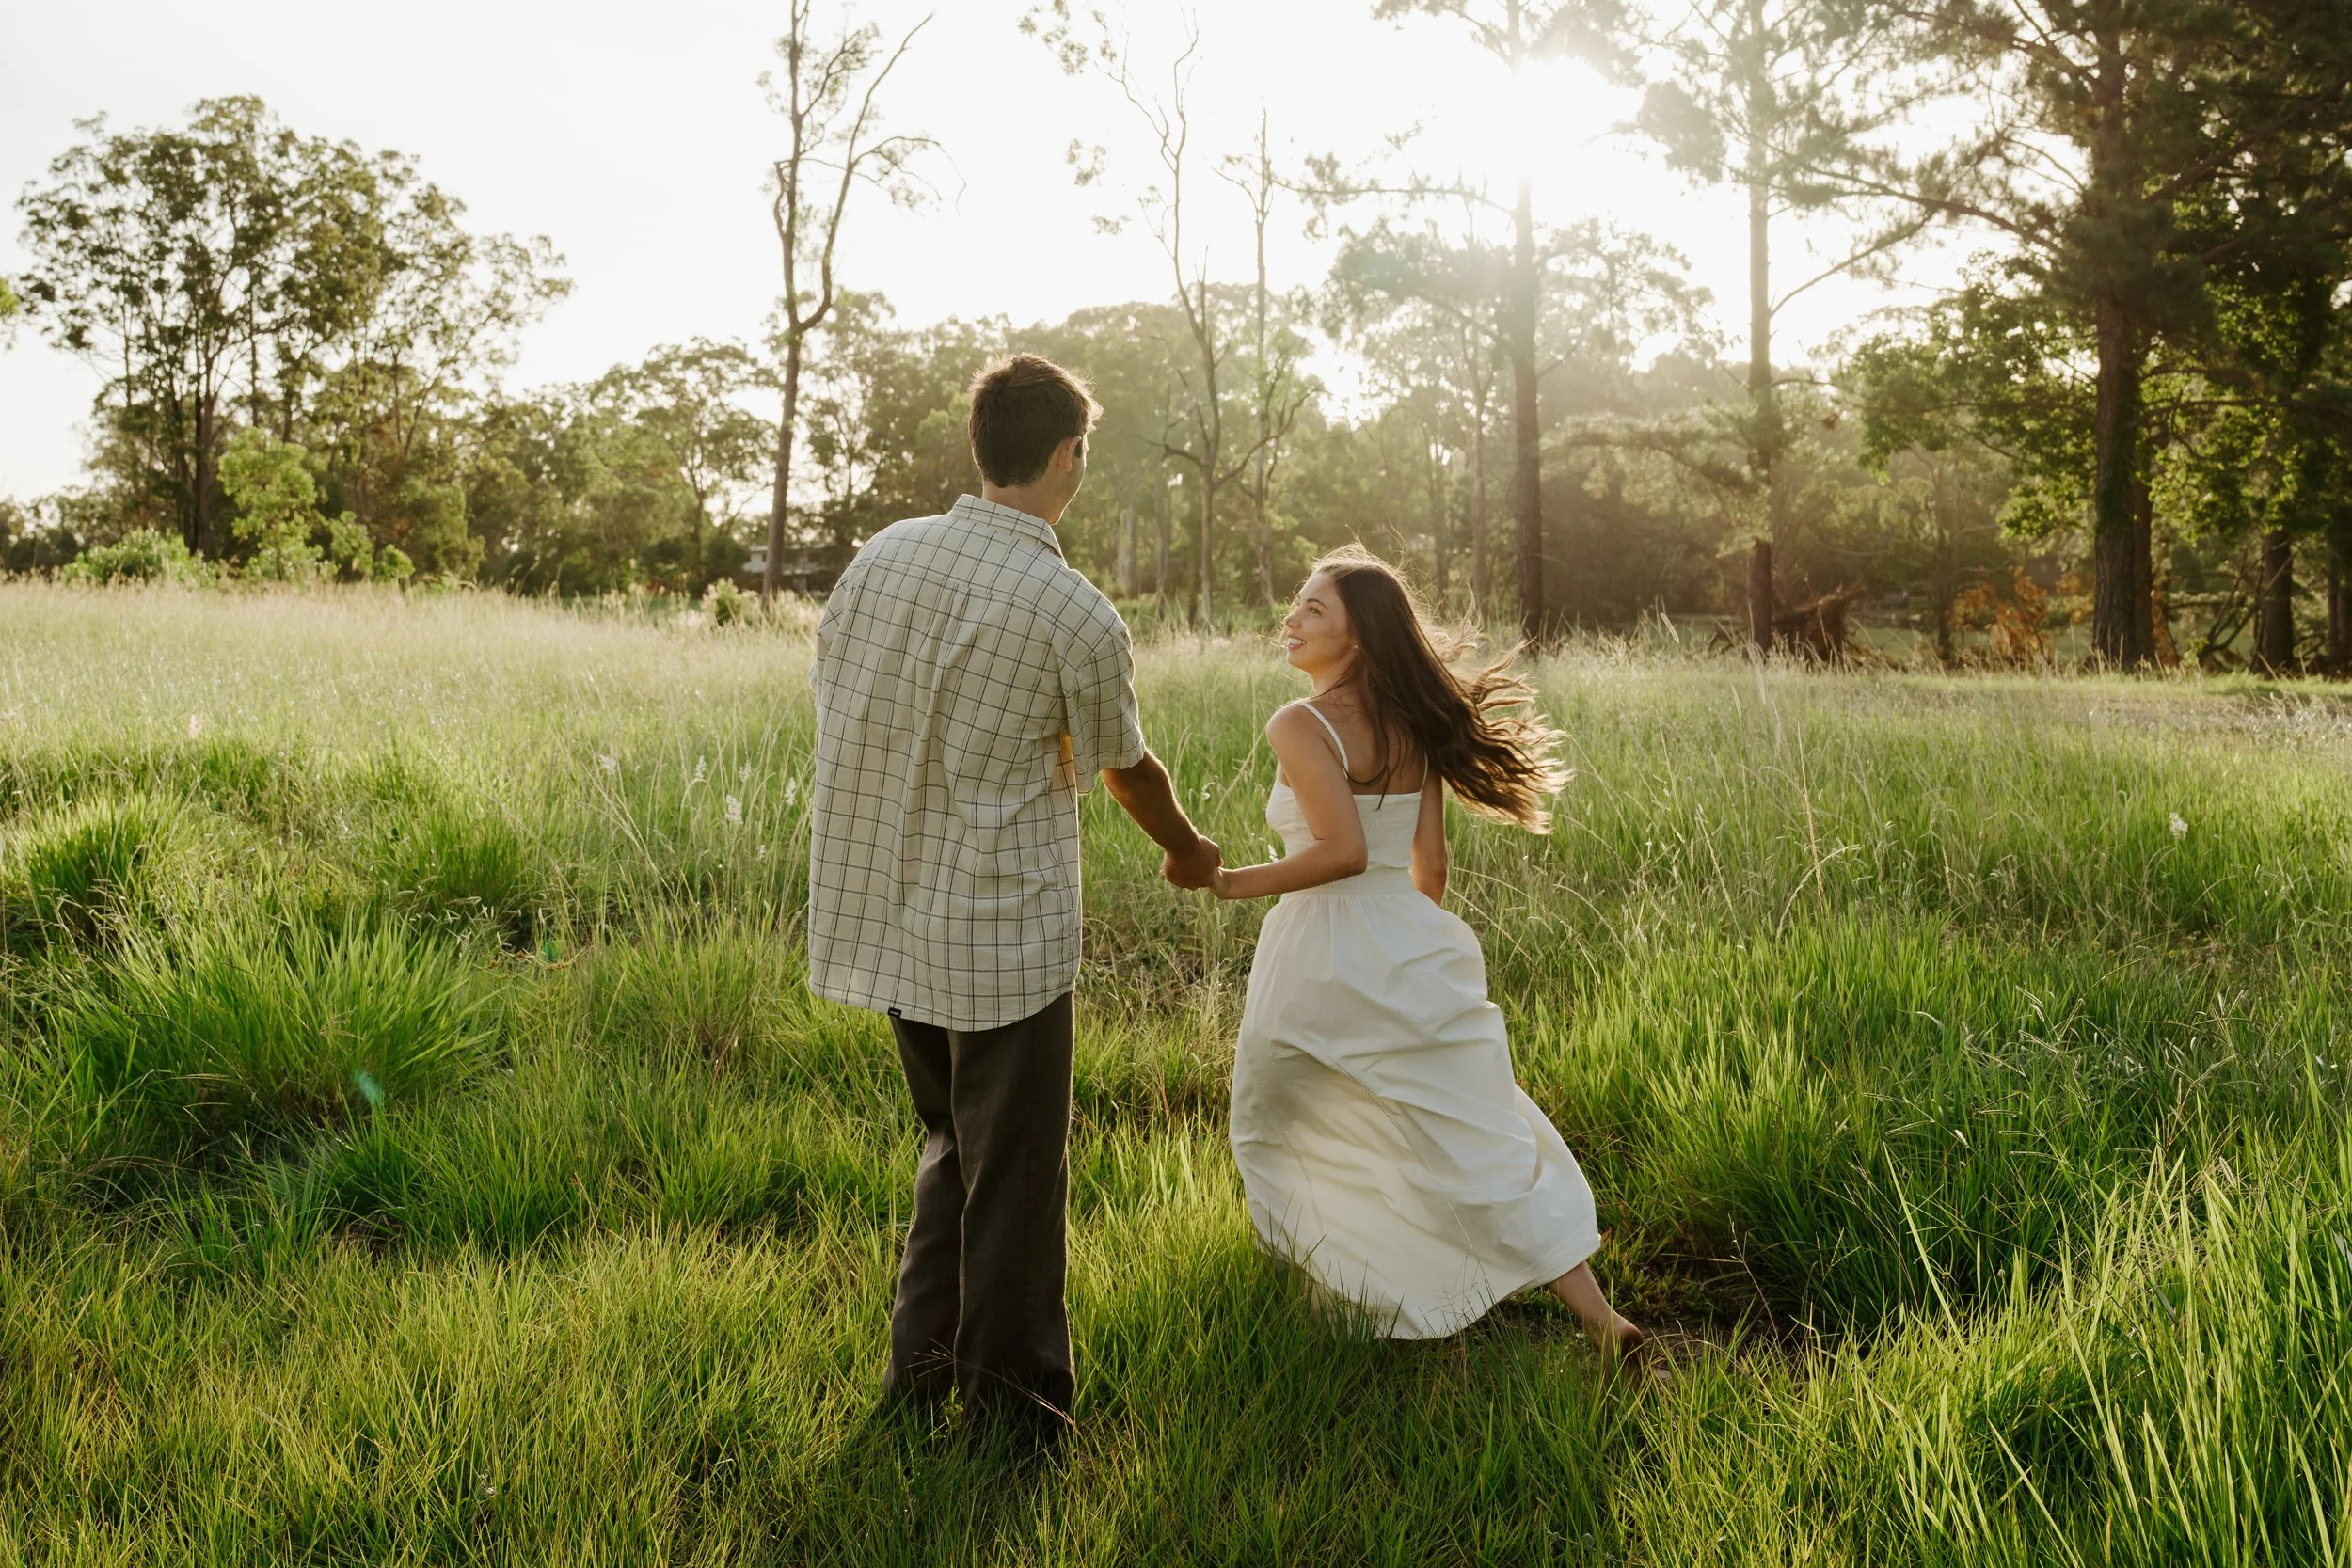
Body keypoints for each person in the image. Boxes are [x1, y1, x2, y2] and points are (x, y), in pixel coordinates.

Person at [807, 354, 1222, 1444]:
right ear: (1066, 457)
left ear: (981, 443)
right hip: (1001, 933)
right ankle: (1014, 1418)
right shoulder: (1070, 610)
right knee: (1017, 1178)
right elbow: (1126, 766)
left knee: (950, 1141)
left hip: (890, 911)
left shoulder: (881, 557)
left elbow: (845, 698)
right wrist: (1187, 850)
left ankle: (921, 1377)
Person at [1211, 546, 1655, 1370]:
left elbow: (1341, 852)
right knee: (1472, 1132)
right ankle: (1600, 1320)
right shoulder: (1415, 724)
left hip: (1318, 944)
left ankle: (1338, 1294)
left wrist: (1232, 881)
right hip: (1411, 935)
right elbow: (1432, 867)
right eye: (1298, 602)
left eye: (1315, 609)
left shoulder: (1298, 723)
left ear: (1360, 637)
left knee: (1275, 1118)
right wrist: (1405, 954)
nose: (1293, 618)